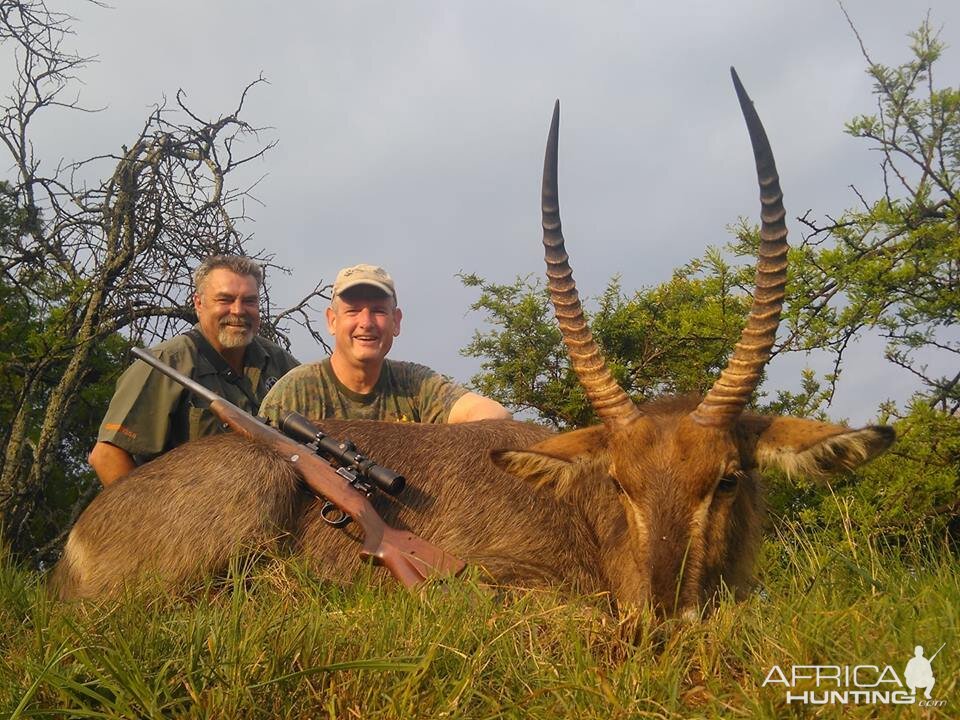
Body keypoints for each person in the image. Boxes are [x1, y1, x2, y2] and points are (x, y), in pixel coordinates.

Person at [89, 255, 300, 486]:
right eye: (225, 299)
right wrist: (155, 521)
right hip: (190, 514)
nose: (238, 311)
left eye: (249, 301)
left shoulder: (281, 364)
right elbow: (107, 455)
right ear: (199, 303)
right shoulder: (165, 363)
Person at [259, 263, 511, 425]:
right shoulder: (293, 392)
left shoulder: (417, 385)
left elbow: (495, 417)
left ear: (396, 322)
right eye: (353, 311)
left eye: (378, 311)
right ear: (332, 320)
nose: (366, 323)